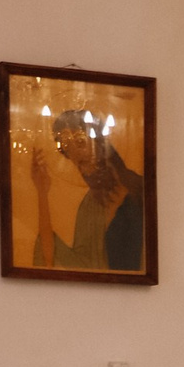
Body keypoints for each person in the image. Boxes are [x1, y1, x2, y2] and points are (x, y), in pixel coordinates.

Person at [29, 109, 146, 272]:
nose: (77, 154)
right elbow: (73, 264)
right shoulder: (89, 208)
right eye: (68, 150)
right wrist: (42, 192)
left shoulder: (142, 188)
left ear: (100, 142)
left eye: (80, 142)